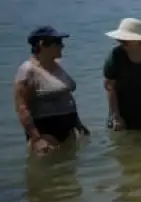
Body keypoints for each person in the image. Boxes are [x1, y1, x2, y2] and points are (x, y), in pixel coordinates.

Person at [13, 26, 88, 154]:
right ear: (42, 45)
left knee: (69, 171)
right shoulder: (28, 71)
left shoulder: (58, 65)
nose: (62, 46)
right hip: (45, 132)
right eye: (58, 43)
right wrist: (36, 139)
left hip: (68, 129)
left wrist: (78, 123)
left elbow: (67, 96)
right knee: (47, 171)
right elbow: (22, 107)